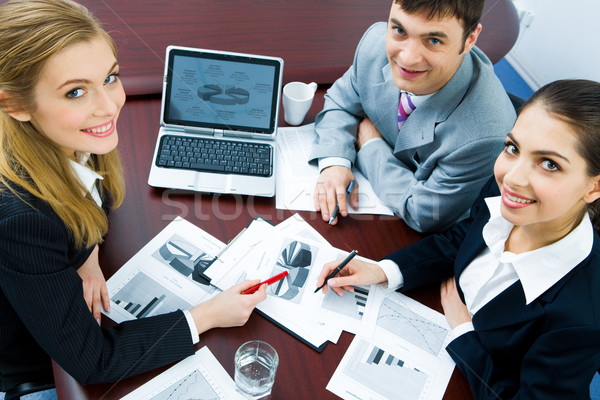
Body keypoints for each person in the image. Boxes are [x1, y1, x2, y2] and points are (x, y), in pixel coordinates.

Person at [0, 0, 267, 393]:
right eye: (76, 92)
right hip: (33, 365)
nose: (109, 106)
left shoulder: (71, 138)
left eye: (110, 78)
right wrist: (206, 315)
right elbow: (94, 361)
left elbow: (93, 195)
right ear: (16, 105)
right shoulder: (22, 219)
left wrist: (87, 256)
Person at [317, 79, 600, 399]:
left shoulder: (582, 318)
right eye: (513, 148)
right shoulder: (504, 193)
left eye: (549, 164)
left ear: (594, 187)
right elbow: (463, 237)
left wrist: (464, 334)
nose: (513, 177)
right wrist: (385, 270)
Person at [310, 0, 516, 232]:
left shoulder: (485, 136)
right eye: (400, 30)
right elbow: (340, 102)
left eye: (434, 40)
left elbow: (424, 213)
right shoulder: (374, 43)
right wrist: (335, 162)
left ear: (470, 39)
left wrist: (369, 144)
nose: (407, 59)